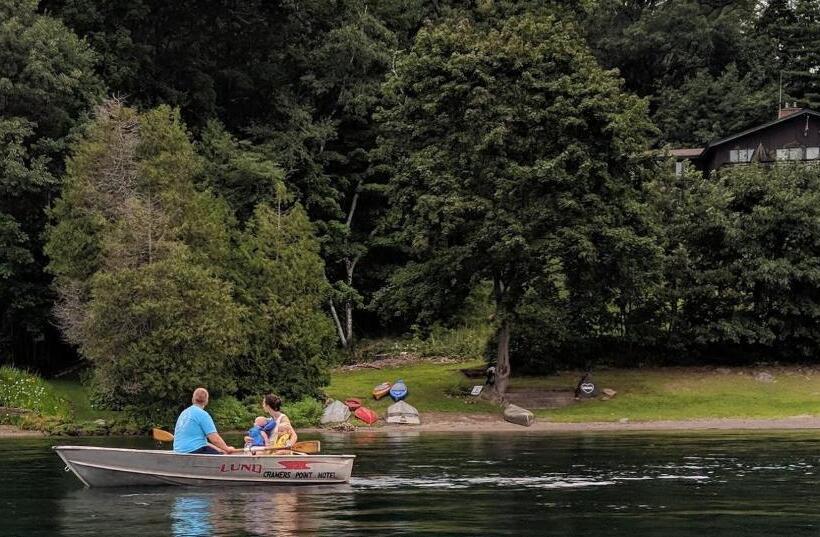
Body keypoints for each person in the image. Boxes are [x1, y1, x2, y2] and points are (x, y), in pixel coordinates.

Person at [173, 387, 236, 454]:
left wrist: (220, 449)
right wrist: (227, 449)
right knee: (223, 454)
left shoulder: (183, 413)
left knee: (220, 451)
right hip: (194, 450)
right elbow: (215, 439)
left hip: (178, 451)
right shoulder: (203, 415)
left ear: (193, 399)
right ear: (206, 401)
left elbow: (202, 442)